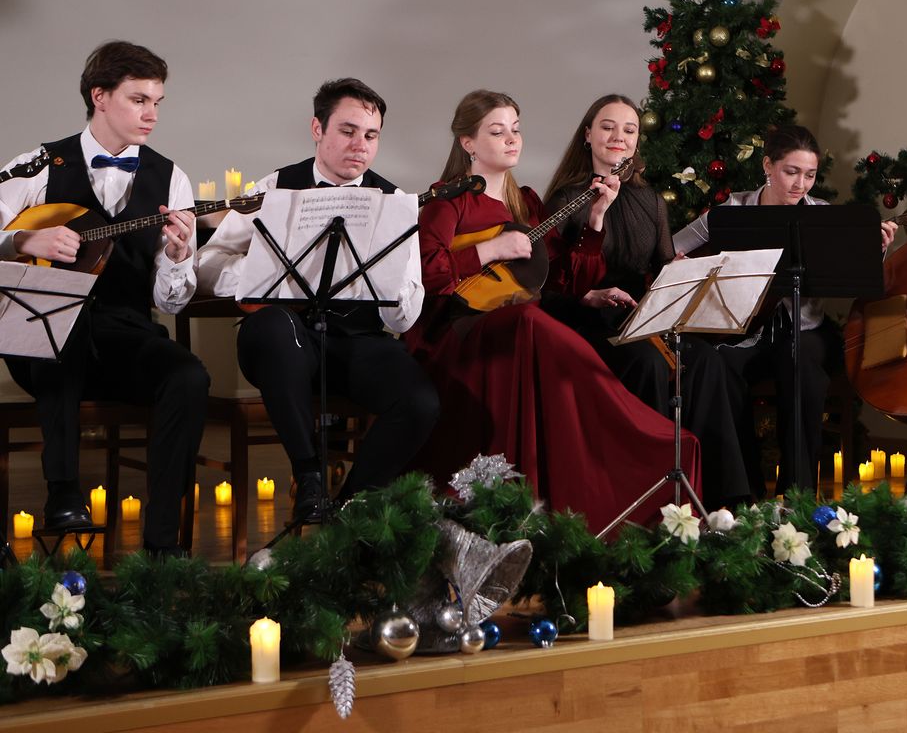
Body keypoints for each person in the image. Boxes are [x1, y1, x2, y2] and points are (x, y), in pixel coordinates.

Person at [409, 89, 701, 531]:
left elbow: (562, 282)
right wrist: (489, 250)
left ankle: (612, 478)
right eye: (497, 131)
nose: (512, 139)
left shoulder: (525, 202)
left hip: (518, 331)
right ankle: (623, 433)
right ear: (468, 142)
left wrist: (597, 219)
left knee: (533, 321)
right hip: (462, 334)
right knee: (531, 321)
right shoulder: (446, 200)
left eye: (516, 129)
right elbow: (427, 275)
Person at [0, 41, 209, 556]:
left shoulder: (171, 178)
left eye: (157, 102)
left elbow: (171, 303)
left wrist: (178, 256)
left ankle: (163, 546)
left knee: (188, 376)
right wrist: (24, 240)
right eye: (139, 100)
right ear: (99, 96)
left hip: (123, 338)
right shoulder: (39, 164)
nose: (152, 114)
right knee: (65, 325)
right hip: (41, 340)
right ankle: (64, 494)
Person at [197, 78, 439, 522]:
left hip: (356, 342)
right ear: (317, 129)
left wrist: (396, 289)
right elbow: (208, 262)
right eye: (348, 131)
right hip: (284, 345)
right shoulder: (275, 187)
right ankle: (309, 479)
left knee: (420, 402)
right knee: (275, 327)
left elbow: (404, 319)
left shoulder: (394, 202)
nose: (360, 145)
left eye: (371, 135)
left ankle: (348, 509)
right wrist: (260, 275)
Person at [543, 95, 762, 507]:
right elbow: (549, 288)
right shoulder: (565, 199)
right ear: (587, 135)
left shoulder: (650, 202)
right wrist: (590, 296)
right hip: (586, 321)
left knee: (706, 361)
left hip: (638, 320)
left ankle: (722, 503)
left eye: (629, 130)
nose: (619, 137)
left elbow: (662, 270)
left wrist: (682, 273)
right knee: (646, 361)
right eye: (607, 127)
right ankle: (651, 498)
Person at [672, 125, 897, 493]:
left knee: (802, 367)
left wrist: (876, 251)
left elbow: (854, 280)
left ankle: (797, 494)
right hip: (746, 331)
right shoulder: (732, 211)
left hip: (805, 330)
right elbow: (674, 248)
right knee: (721, 368)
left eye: (809, 175)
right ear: (767, 165)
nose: (801, 185)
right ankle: (741, 492)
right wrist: (685, 266)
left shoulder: (823, 215)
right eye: (791, 172)